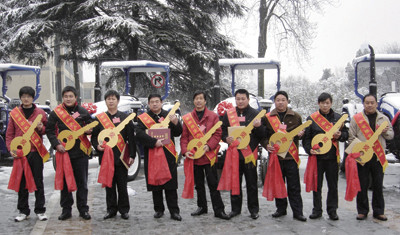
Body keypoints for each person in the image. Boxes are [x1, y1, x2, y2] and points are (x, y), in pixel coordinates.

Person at [180, 91, 230, 220]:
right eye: (196, 99)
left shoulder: (213, 116)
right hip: (195, 157)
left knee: (213, 183)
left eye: (201, 99)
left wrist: (210, 146)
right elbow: (184, 137)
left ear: (205, 101)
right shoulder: (188, 118)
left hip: (209, 156)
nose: (199, 101)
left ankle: (219, 210)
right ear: (193, 101)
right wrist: (185, 151)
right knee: (199, 184)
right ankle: (202, 207)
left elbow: (218, 134)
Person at [46, 86, 93, 220]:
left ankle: (83, 209)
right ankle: (66, 210)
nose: (68, 99)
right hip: (64, 152)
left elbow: (91, 124)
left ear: (75, 97)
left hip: (80, 153)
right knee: (65, 183)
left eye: (71, 96)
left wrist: (90, 130)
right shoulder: (56, 113)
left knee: (82, 183)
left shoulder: (82, 111)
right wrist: (56, 144)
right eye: (66, 96)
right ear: (63, 98)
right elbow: (49, 130)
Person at [302, 92, 349, 220]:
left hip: (332, 158)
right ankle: (317, 210)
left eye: (327, 103)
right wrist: (309, 149)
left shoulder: (339, 119)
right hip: (317, 158)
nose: (325, 105)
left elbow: (346, 135)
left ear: (331, 103)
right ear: (319, 103)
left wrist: (341, 135)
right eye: (322, 103)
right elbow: (306, 138)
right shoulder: (311, 119)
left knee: (333, 186)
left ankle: (332, 210)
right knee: (316, 186)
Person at [136, 94, 183, 221]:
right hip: (152, 153)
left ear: (161, 102)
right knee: (155, 182)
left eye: (157, 101)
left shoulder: (169, 115)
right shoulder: (143, 118)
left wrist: (175, 122)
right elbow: (139, 134)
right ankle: (159, 209)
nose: (155, 104)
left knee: (171, 184)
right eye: (152, 102)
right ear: (149, 104)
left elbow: (178, 132)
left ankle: (174, 211)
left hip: (168, 154)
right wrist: (153, 142)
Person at [91, 90, 136, 220]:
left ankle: (124, 210)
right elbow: (94, 137)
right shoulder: (100, 119)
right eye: (108, 99)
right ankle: (111, 209)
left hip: (121, 157)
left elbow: (131, 139)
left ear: (118, 101)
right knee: (109, 186)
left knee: (122, 185)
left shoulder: (125, 118)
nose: (111, 101)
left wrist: (132, 155)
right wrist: (97, 146)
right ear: (105, 101)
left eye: (113, 99)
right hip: (106, 158)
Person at [6, 86, 49, 222]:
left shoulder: (40, 113)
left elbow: (48, 129)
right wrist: (11, 149)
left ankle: (40, 210)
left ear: (33, 97)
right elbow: (9, 134)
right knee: (21, 182)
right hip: (20, 153)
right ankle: (23, 211)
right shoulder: (14, 113)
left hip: (35, 152)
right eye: (23, 96)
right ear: (20, 98)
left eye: (28, 96)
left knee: (38, 181)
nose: (26, 99)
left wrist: (41, 128)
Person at [220, 89, 265, 219]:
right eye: (238, 99)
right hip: (234, 154)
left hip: (249, 154)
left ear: (248, 99)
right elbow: (223, 131)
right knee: (235, 182)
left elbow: (261, 135)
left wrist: (258, 127)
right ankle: (235, 209)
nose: (240, 101)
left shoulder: (255, 114)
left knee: (251, 183)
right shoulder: (229, 114)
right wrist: (226, 138)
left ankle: (253, 210)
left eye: (243, 99)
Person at [348, 93, 393, 221]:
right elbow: (351, 137)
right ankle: (362, 211)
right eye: (367, 102)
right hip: (362, 156)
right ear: (364, 104)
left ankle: (379, 211)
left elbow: (391, 135)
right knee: (361, 184)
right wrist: (360, 148)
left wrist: (385, 132)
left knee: (378, 184)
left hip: (378, 157)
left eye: (372, 102)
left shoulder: (383, 119)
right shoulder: (357, 119)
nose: (370, 105)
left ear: (376, 104)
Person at [265, 90, 307, 222]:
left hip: (290, 157)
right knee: (279, 183)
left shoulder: (296, 116)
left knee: (294, 185)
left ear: (287, 101)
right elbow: (264, 135)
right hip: (276, 157)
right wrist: (266, 144)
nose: (281, 102)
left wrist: (302, 133)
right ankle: (281, 209)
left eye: (283, 100)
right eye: (278, 100)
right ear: (274, 102)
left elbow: (303, 132)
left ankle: (298, 212)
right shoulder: (268, 117)